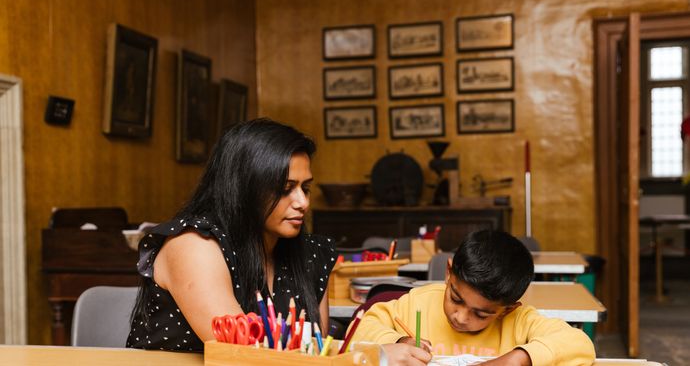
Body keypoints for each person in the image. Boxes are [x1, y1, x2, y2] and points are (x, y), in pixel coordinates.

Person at [126, 118, 337, 352]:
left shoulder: (311, 254)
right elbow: (241, 355)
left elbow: (317, 352)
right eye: (285, 189)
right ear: (244, 189)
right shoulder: (195, 246)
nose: (303, 202)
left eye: (305, 188)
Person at [348, 229, 596, 366]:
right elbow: (361, 328)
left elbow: (581, 345)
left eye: (480, 313)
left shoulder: (519, 322)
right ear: (448, 273)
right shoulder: (417, 303)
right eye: (456, 298)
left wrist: (520, 358)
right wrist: (397, 341)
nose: (460, 317)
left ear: (507, 310)